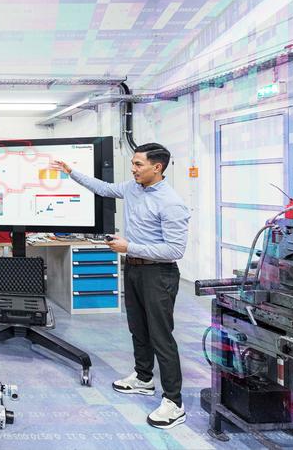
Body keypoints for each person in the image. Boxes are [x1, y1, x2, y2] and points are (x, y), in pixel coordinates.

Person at [51, 143, 190, 429]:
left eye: (139, 164)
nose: (133, 169)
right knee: (138, 329)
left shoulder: (171, 202)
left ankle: (174, 402)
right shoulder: (133, 188)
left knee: (161, 336)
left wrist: (130, 247)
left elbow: (175, 250)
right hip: (135, 270)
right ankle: (143, 378)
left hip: (159, 274)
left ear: (157, 167)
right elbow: (104, 188)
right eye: (133, 163)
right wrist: (71, 172)